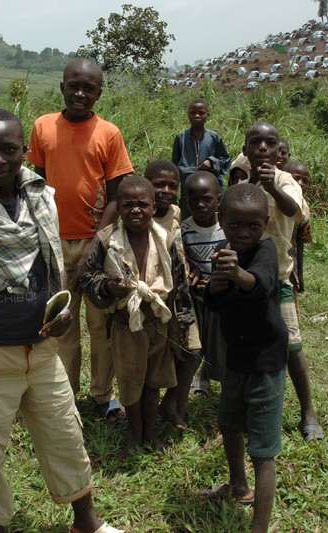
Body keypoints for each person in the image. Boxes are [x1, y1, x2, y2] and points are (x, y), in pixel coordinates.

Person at [0, 109, 122, 533]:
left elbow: (53, 267)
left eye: (9, 149)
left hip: (40, 350)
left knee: (65, 434)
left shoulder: (43, 198)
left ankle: (86, 522)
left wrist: (62, 312)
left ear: (25, 150)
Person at [26, 58, 134, 422]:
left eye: (89, 88)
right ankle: (66, 396)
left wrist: (95, 243)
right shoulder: (43, 127)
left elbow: (116, 197)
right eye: (74, 86)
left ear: (99, 93)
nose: (80, 93)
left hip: (97, 244)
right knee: (63, 323)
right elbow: (37, 187)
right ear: (62, 87)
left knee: (101, 325)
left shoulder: (109, 133)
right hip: (54, 243)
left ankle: (103, 394)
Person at [81, 176, 194, 457]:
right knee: (131, 384)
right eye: (127, 205)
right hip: (125, 326)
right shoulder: (107, 239)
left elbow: (180, 283)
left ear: (153, 207)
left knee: (153, 381)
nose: (135, 210)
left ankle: (150, 432)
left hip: (157, 323)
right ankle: (133, 435)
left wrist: (183, 321)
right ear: (118, 207)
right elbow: (86, 275)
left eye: (142, 204)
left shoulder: (165, 239)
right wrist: (108, 287)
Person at [201, 183, 288, 533]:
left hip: (265, 361)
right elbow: (217, 301)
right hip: (236, 357)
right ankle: (238, 485)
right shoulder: (222, 251)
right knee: (228, 422)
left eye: (253, 225)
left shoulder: (266, 250)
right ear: (221, 220)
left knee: (262, 451)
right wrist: (213, 287)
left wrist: (236, 274)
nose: (243, 233)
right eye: (234, 225)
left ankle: (259, 527)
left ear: (265, 223)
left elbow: (262, 284)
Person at [239, 122, 323, 443]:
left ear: (278, 151)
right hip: (245, 278)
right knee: (246, 340)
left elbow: (295, 212)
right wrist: (251, 184)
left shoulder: (286, 180)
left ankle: (308, 412)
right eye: (255, 142)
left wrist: (271, 187)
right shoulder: (241, 181)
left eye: (269, 143)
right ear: (245, 150)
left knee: (292, 345)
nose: (262, 148)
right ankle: (247, 404)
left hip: (278, 280)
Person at [143, 160, 201, 430]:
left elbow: (182, 246)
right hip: (155, 296)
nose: (166, 191)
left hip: (181, 294)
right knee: (157, 357)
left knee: (193, 349)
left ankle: (173, 402)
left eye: (172, 186)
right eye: (159, 185)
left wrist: (192, 268)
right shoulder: (140, 215)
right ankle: (148, 416)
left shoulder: (176, 213)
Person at [181, 171, 228, 395]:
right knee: (196, 344)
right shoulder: (184, 230)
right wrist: (192, 272)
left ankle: (227, 390)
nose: (200, 204)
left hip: (222, 299)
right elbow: (183, 260)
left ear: (218, 199)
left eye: (206, 199)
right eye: (193, 199)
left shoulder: (227, 227)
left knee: (222, 345)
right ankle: (195, 384)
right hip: (197, 299)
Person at [172, 98, 231, 215]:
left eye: (201, 113)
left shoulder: (214, 137)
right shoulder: (181, 138)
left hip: (209, 188)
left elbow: (226, 161)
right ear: (188, 115)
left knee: (211, 217)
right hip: (188, 189)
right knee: (188, 218)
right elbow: (174, 168)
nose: (197, 116)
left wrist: (211, 161)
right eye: (193, 113)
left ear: (207, 115)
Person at [283, 161, 313, 295]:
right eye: (296, 178)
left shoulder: (303, 208)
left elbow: (300, 242)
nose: (300, 183)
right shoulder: (271, 198)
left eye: (305, 181)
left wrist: (300, 274)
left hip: (290, 262)